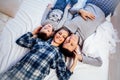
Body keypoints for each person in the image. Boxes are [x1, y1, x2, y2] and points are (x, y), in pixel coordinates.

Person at [0, 27, 78, 80]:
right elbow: (21, 41)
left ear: (64, 41)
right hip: (16, 72)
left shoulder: (59, 55)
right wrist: (33, 32)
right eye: (59, 33)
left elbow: (63, 77)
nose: (60, 36)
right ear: (55, 33)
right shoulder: (39, 41)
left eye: (64, 37)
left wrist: (75, 63)